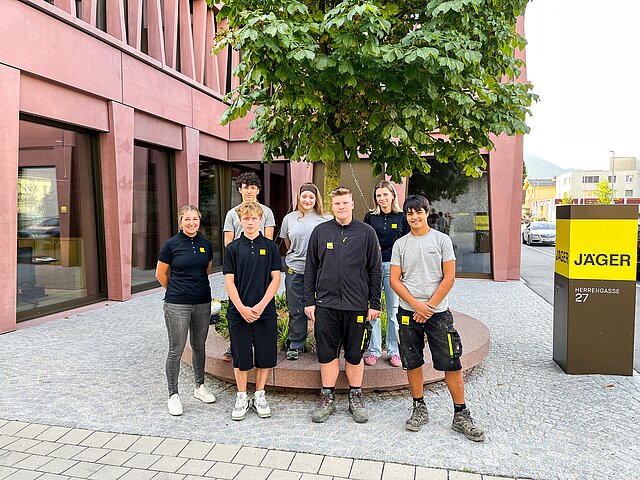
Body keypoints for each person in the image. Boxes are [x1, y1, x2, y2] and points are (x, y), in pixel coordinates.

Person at [390, 195, 485, 441]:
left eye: (418, 212)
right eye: (409, 213)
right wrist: (416, 306)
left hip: (438, 313)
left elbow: (449, 277)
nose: (414, 217)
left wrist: (428, 307)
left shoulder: (442, 240)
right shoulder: (400, 244)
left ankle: (461, 413)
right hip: (408, 312)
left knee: (451, 361)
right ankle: (419, 407)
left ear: (426, 212)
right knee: (412, 361)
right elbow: (394, 280)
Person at [304, 187, 382, 424]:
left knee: (355, 354)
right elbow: (310, 269)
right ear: (332, 206)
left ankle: (355, 396)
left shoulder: (367, 233)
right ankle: (327, 396)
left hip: (357, 305)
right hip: (326, 304)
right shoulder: (320, 232)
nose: (341, 207)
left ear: (352, 205)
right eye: (337, 203)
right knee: (327, 353)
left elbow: (375, 270)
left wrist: (374, 303)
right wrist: (309, 301)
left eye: (345, 203)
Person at [156, 205, 217, 416]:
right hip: (177, 304)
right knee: (176, 349)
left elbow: (206, 270)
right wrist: (175, 291)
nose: (191, 223)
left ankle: (199, 387)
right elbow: (160, 274)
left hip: (202, 302)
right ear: (180, 222)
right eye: (187, 219)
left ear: (199, 221)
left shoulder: (205, 244)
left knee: (199, 346)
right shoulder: (171, 245)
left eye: (195, 219)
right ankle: (173, 395)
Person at [223, 202, 282, 421]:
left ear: (261, 220)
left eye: (254, 218)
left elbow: (276, 279)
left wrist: (260, 306)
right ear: (240, 220)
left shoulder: (271, 247)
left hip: (264, 311)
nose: (249, 222)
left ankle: (259, 395)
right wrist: (241, 308)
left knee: (265, 355)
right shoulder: (233, 249)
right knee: (241, 355)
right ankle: (241, 395)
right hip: (239, 311)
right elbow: (229, 281)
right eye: (246, 218)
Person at [222, 171, 276, 362]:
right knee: (237, 305)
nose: (249, 191)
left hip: (261, 263)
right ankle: (234, 346)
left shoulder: (267, 212)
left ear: (258, 190)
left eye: (253, 187)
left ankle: (260, 345)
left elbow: (269, 240)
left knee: (262, 303)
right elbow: (228, 241)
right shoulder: (232, 214)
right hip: (239, 265)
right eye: (246, 187)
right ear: (240, 189)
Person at [279, 182, 331, 360]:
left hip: (321, 271)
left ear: (316, 199)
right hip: (296, 269)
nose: (307, 200)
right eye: (304, 196)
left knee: (322, 309)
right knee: (296, 309)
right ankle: (296, 344)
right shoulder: (289, 219)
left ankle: (322, 345)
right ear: (299, 198)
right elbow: (288, 244)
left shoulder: (326, 218)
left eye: (311, 196)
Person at [362, 180, 409, 367]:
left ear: (392, 195)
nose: (382, 198)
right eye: (378, 195)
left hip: (393, 267)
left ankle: (393, 351)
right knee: (373, 310)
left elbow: (407, 244)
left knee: (392, 311)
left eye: (385, 194)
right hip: (372, 268)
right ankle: (373, 351)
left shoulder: (402, 217)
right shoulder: (369, 217)